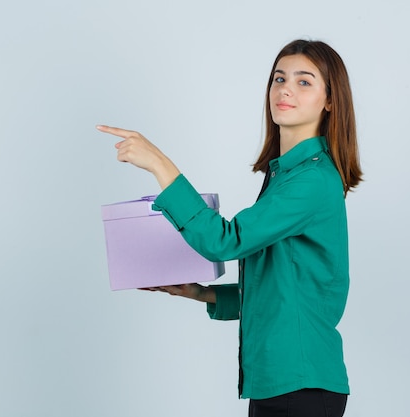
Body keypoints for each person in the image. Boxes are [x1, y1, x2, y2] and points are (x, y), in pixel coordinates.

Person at [97, 39, 362, 417]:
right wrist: (202, 293)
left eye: (304, 82)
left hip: (301, 384)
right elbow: (286, 294)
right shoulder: (288, 176)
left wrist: (160, 164)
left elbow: (225, 241)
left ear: (330, 101)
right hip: (284, 382)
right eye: (278, 78)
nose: (285, 88)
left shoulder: (312, 181)